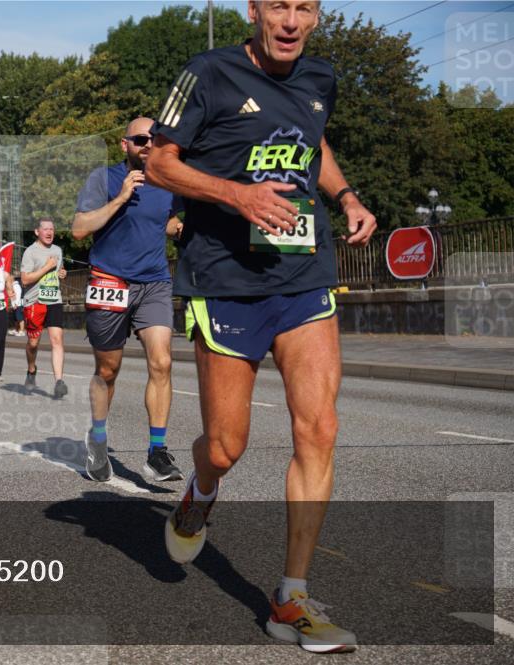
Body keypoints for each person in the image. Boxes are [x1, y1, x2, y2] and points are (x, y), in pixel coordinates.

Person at [145, 0, 377, 653]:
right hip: (224, 280)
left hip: (303, 274)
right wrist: (238, 194)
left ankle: (291, 598)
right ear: (254, 9)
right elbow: (160, 163)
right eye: (278, 4)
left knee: (320, 426)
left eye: (304, 7)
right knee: (226, 445)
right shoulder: (207, 72)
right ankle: (201, 490)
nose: (290, 20)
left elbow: (313, 140)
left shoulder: (320, 79)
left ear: (317, 14)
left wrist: (347, 194)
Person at [72, 116, 184, 483]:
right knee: (108, 370)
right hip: (109, 280)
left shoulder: (169, 180)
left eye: (154, 139)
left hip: (154, 282)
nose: (148, 145)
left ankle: (157, 451)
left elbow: (163, 221)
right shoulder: (102, 179)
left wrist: (180, 228)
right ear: (125, 145)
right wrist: (121, 197)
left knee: (162, 362)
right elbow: (79, 229)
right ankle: (98, 438)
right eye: (139, 139)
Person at [20, 219, 67, 398]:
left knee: (57, 340)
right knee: (33, 343)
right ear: (37, 232)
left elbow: (58, 271)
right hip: (34, 301)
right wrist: (47, 267)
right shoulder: (30, 252)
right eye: (45, 229)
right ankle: (31, 370)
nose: (49, 232)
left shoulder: (57, 250)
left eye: (52, 229)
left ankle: (59, 381)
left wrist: (61, 273)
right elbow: (24, 280)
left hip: (54, 299)